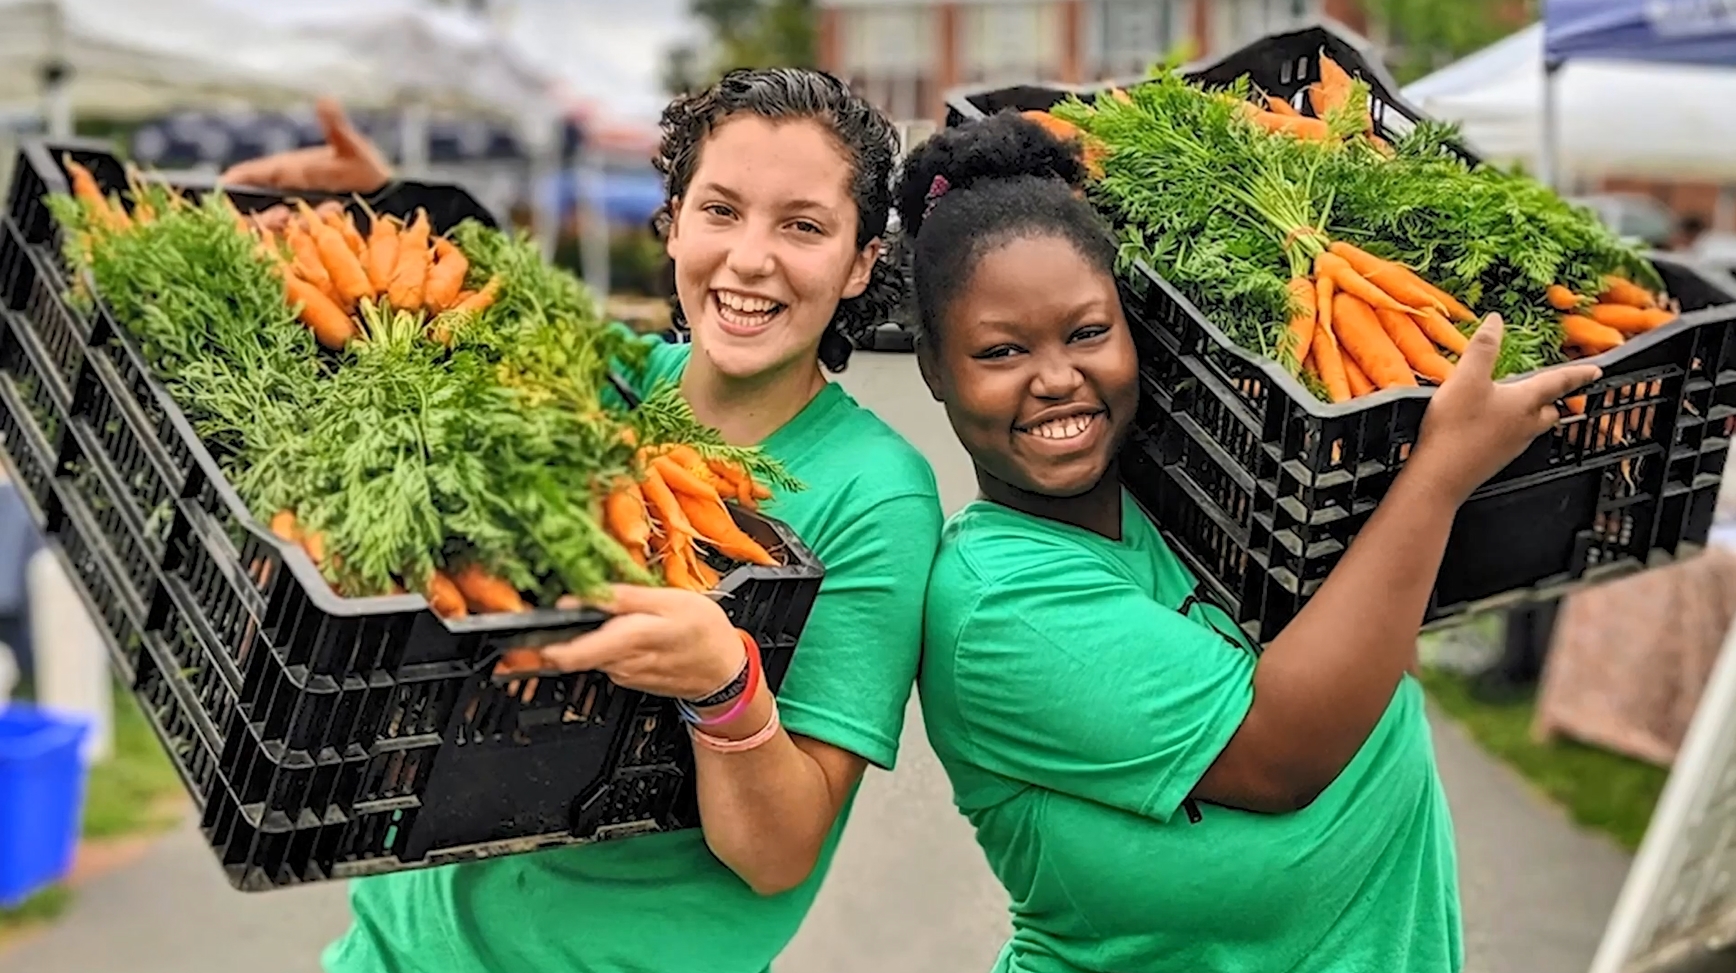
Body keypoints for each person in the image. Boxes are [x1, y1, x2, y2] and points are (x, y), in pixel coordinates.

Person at [228, 71, 942, 973]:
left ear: (859, 263)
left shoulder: (873, 492)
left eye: (802, 225)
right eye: (721, 210)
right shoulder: (600, 373)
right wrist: (385, 211)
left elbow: (777, 855)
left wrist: (727, 689)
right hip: (394, 948)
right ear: (675, 222)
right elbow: (446, 323)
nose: (751, 257)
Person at [897, 112, 1603, 973]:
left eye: (1088, 332)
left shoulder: (1193, 486)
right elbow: (1279, 756)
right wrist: (1439, 475)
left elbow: (1367, 626)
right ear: (934, 367)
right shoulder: (998, 603)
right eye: (1001, 350)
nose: (1056, 379)